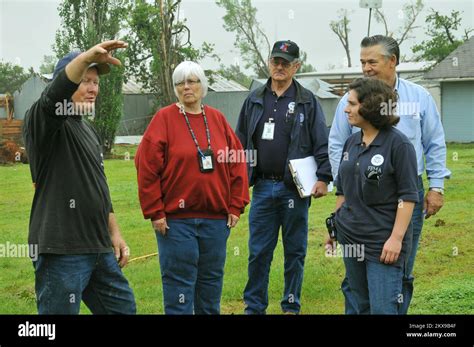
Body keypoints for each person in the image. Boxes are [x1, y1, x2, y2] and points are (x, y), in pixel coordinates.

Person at [328, 35, 451, 314]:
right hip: (358, 198)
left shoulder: (418, 97)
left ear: (392, 61)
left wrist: (437, 187)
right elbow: (337, 144)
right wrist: (345, 191)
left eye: (372, 61)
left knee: (397, 267)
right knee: (356, 276)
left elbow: (434, 142)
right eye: (362, 62)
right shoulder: (350, 102)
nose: (366, 68)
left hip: (404, 196)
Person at [23, 40, 136, 314]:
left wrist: (115, 233)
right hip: (62, 249)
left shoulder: (88, 130)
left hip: (98, 247)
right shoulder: (43, 120)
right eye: (84, 80)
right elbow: (54, 96)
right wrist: (86, 57)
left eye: (96, 82)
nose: (93, 88)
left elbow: (99, 185)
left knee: (123, 309)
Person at [135, 61, 250, 315]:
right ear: (175, 88)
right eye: (180, 82)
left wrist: (236, 205)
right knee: (179, 289)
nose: (187, 87)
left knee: (210, 288)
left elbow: (237, 161)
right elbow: (146, 167)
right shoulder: (164, 119)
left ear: (202, 85)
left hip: (215, 222)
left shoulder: (217, 119)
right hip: (177, 223)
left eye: (192, 81)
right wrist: (156, 211)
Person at [236, 40, 332, 314]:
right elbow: (240, 141)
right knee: (258, 252)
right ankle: (254, 307)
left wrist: (324, 177)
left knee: (295, 253)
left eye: (285, 63)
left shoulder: (306, 101)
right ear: (269, 63)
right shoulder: (254, 99)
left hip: (295, 190)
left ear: (296, 67)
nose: (279, 67)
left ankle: (291, 306)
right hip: (263, 186)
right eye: (275, 61)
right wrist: (238, 179)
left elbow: (320, 141)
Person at [328, 77, 419, 314]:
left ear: (370, 106)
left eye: (352, 103)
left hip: (383, 242)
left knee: (383, 308)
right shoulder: (351, 142)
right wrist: (334, 230)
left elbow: (408, 196)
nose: (346, 109)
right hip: (351, 238)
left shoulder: (399, 145)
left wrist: (396, 238)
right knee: (361, 305)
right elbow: (342, 189)